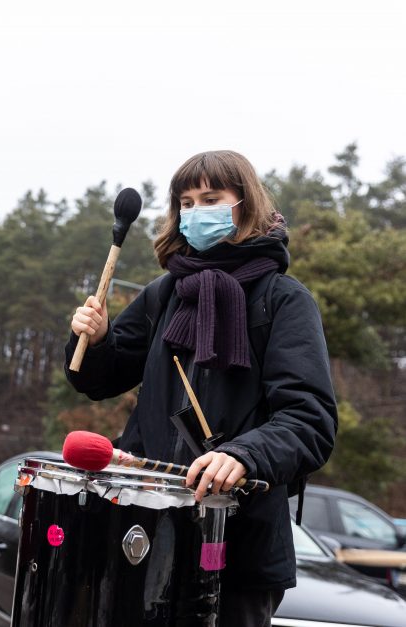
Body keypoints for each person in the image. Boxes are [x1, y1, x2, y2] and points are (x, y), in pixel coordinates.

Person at [65, 150, 338, 626]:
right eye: (185, 202)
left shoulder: (285, 301)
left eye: (211, 198)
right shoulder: (165, 293)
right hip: (142, 529)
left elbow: (309, 419)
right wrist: (96, 337)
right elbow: (95, 378)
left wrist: (245, 455)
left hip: (239, 543)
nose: (195, 212)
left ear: (244, 205)